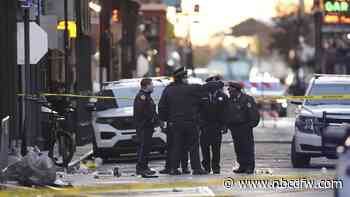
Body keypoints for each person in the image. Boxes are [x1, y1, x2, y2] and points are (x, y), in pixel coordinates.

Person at [158, 67, 209, 175]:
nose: (187, 79)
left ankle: (174, 168)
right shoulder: (190, 89)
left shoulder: (168, 90)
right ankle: (196, 168)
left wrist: (164, 120)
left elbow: (162, 106)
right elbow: (203, 97)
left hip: (175, 123)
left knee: (176, 146)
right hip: (190, 122)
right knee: (193, 146)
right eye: (186, 77)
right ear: (182, 78)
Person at [225, 81, 260, 174]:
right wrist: (228, 125)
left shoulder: (247, 99)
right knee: (238, 148)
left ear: (236, 90)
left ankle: (250, 166)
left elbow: (254, 114)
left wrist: (250, 125)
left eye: (230, 90)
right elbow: (227, 113)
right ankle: (242, 165)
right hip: (235, 128)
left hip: (245, 127)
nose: (229, 92)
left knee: (247, 147)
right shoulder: (230, 100)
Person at [199, 75, 228, 174]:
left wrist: (224, 126)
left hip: (217, 126)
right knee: (204, 148)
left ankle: (216, 167)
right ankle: (206, 167)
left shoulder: (223, 97)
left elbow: (225, 112)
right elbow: (198, 111)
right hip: (205, 126)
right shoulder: (202, 96)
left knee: (216, 148)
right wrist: (200, 124)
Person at [133, 78, 158, 176]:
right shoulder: (142, 97)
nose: (153, 86)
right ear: (147, 86)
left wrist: (157, 121)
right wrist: (150, 120)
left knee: (146, 148)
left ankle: (145, 167)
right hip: (144, 127)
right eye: (151, 84)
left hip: (148, 126)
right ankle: (141, 168)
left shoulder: (147, 96)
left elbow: (151, 111)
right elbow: (142, 112)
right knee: (143, 148)